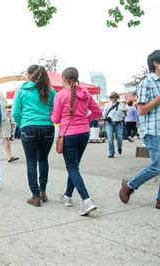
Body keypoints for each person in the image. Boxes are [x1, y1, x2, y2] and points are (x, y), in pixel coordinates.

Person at [51, 67, 103, 216]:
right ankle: (67, 196)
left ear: (64, 79)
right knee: (74, 167)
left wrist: (51, 115)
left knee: (72, 167)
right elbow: (98, 112)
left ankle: (87, 200)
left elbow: (55, 119)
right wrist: (84, 120)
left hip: (69, 134)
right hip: (84, 133)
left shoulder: (60, 95)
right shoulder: (86, 94)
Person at [119, 49, 160, 210]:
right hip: (153, 130)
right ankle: (129, 185)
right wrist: (158, 99)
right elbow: (142, 110)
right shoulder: (146, 83)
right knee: (158, 166)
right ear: (156, 63)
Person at [12, 65, 56, 207]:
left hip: (28, 127)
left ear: (29, 75)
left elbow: (15, 113)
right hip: (47, 127)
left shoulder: (22, 91)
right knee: (43, 159)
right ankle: (43, 192)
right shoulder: (51, 91)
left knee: (31, 162)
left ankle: (35, 196)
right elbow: (55, 111)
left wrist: (22, 124)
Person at [0, 78, 19, 162]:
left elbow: (3, 105)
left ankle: (10, 156)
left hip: (4, 118)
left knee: (6, 137)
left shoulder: (2, 93)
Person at [103, 91, 126, 157]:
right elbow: (104, 114)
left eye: (115, 97)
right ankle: (111, 152)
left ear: (117, 98)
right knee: (110, 138)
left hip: (119, 123)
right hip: (109, 123)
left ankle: (119, 146)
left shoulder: (122, 105)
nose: (114, 98)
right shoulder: (107, 105)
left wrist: (125, 112)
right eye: (112, 97)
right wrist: (105, 118)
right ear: (110, 98)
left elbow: (125, 115)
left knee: (119, 137)